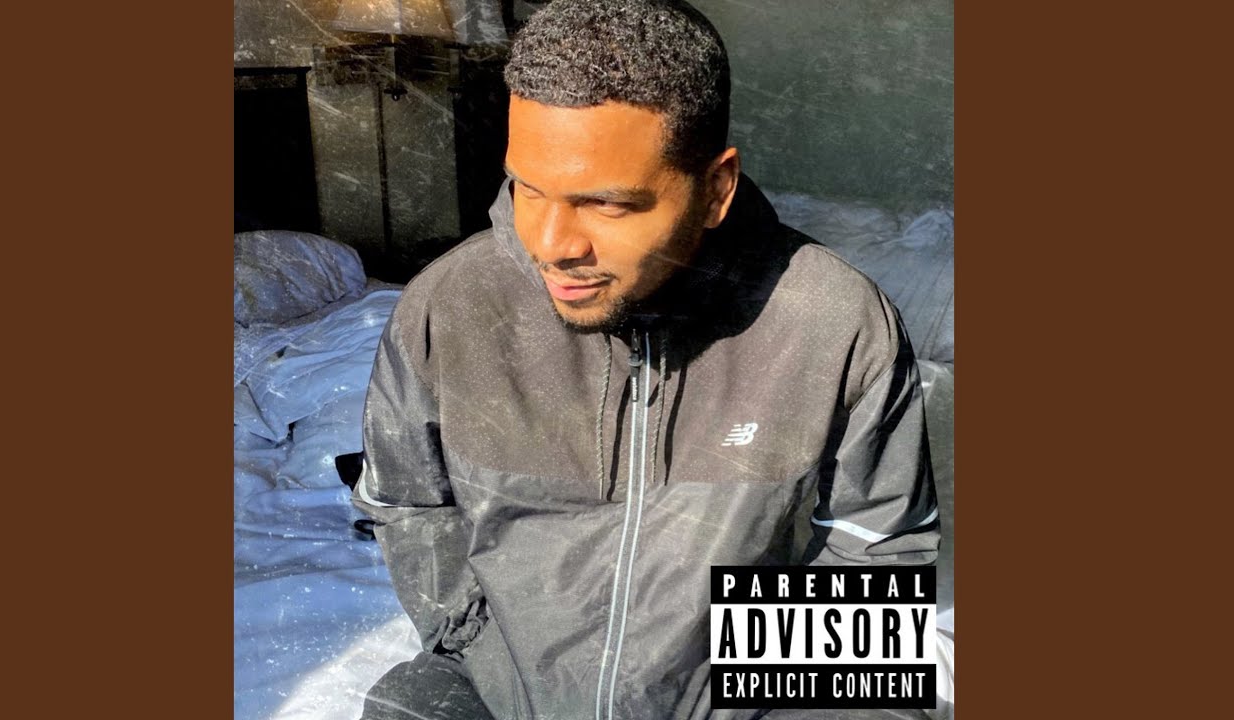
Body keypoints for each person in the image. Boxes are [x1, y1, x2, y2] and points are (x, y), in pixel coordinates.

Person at [352, 1, 939, 718]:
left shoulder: (833, 323)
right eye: (527, 188)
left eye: (607, 204)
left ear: (715, 189)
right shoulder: (451, 305)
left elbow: (873, 550)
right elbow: (408, 503)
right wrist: (476, 641)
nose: (551, 245)